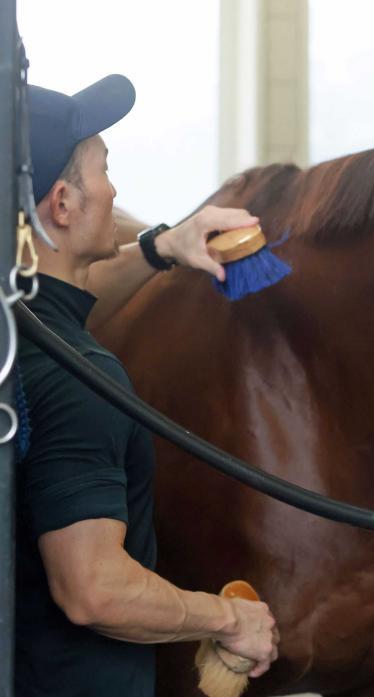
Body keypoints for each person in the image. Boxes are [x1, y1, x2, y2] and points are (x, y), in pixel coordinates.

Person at [15, 74, 280, 696]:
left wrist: (162, 246)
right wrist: (229, 618)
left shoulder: (15, 333)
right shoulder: (79, 375)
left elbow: (45, 286)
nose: (114, 190)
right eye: (104, 169)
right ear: (61, 204)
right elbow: (93, 589)